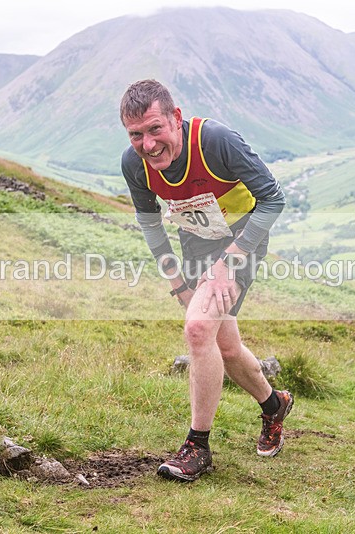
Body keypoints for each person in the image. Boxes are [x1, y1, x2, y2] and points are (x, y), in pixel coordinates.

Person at [119, 79, 293, 482]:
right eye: (136, 134)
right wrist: (177, 282)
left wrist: (230, 260)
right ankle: (273, 405)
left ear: (176, 119)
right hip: (197, 243)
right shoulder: (134, 163)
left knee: (198, 329)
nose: (147, 144)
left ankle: (197, 447)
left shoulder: (215, 141)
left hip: (244, 241)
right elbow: (149, 223)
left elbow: (273, 199)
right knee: (224, 345)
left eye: (155, 129)